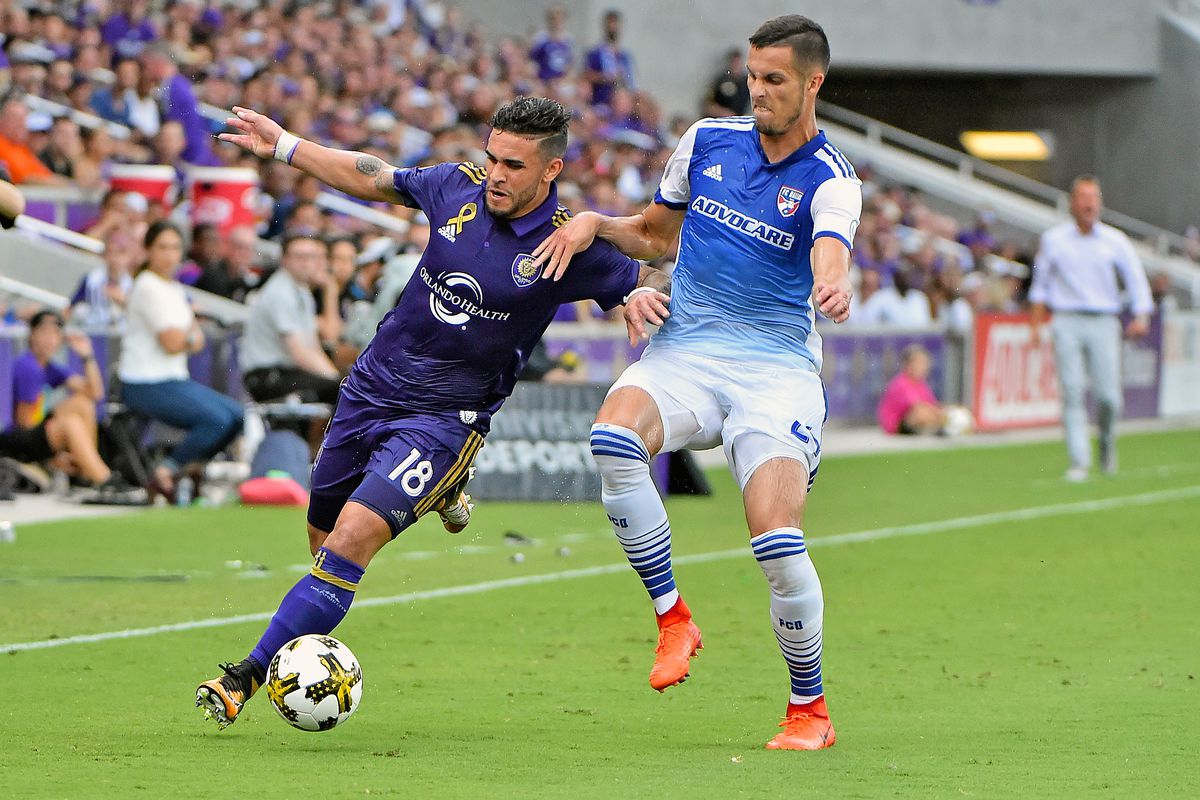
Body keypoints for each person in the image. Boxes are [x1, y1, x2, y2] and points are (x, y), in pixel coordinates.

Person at [194, 96, 659, 729]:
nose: (496, 174)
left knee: (350, 542)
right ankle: (445, 493)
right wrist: (284, 146)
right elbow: (372, 176)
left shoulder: (570, 244)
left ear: (551, 169)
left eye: (514, 165)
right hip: (369, 390)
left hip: (445, 418)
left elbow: (647, 274)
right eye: (492, 158)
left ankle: (243, 678)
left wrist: (638, 296)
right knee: (322, 543)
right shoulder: (455, 187)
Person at [533, 15, 859, 751]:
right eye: (753, 76)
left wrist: (832, 284)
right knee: (613, 439)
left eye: (775, 79)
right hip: (687, 350)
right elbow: (656, 234)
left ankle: (809, 709)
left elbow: (830, 247)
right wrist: (593, 223)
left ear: (813, 83)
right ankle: (673, 617)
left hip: (775, 371)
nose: (758, 90)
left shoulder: (832, 178)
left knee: (776, 542)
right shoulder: (707, 141)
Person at [1029, 175, 1153, 482]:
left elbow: (1136, 279)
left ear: (1100, 203)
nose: (1089, 203)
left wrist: (1141, 315)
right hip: (1066, 319)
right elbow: (1040, 285)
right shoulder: (1054, 239)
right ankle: (1079, 460)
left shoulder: (1114, 240)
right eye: (1083, 197)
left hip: (1103, 320)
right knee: (1071, 391)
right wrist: (1035, 324)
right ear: (1072, 203)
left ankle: (1107, 444)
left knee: (1108, 396)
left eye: (1093, 197)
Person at [117, 221, 244, 499]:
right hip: (144, 381)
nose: (169, 255)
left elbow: (194, 342)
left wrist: (187, 334)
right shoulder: (147, 286)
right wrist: (190, 331)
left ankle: (188, 471)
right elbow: (175, 343)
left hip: (171, 378)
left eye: (174, 248)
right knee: (216, 420)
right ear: (148, 250)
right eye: (162, 247)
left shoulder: (173, 288)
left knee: (236, 416)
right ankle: (166, 472)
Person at [0, 309, 121, 496]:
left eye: (55, 333)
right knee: (70, 423)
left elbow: (95, 393)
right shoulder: (28, 367)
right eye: (44, 332)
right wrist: (53, 457)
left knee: (83, 403)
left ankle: (85, 474)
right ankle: (104, 480)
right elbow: (25, 423)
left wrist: (87, 356)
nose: (49, 339)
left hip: (36, 435)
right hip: (16, 442)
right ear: (32, 334)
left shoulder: (49, 367)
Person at [239, 233, 342, 405]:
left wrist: (338, 379)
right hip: (266, 375)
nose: (306, 263)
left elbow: (314, 346)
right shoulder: (280, 293)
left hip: (287, 371)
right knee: (338, 391)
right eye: (300, 257)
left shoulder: (301, 291)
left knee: (340, 388)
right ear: (284, 260)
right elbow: (299, 353)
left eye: (311, 257)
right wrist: (338, 381)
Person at [877, 344, 947, 435]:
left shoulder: (922, 384)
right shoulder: (901, 383)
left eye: (925, 363)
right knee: (922, 413)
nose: (924, 367)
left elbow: (932, 404)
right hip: (895, 425)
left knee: (944, 412)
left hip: (910, 421)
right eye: (920, 363)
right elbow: (917, 407)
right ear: (908, 365)